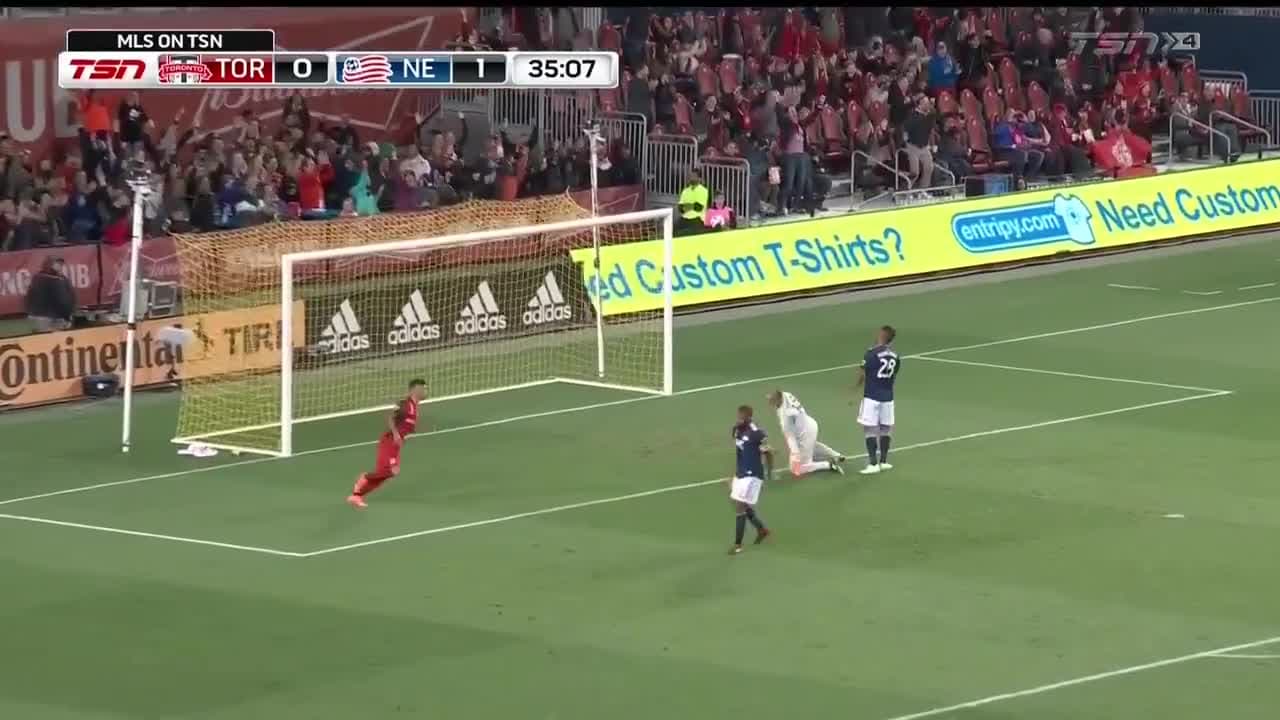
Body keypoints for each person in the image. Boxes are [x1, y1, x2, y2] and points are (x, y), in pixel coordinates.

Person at [347, 379, 428, 508]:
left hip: (396, 445)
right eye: (424, 388)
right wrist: (395, 434)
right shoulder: (405, 404)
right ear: (416, 389)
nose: (425, 391)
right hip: (389, 441)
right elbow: (389, 417)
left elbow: (406, 426)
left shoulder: (415, 408)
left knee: (390, 472)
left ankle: (357, 495)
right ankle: (364, 479)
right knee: (388, 471)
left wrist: (407, 435)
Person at [854, 325, 900, 475]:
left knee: (869, 429)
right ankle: (884, 461)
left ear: (881, 335)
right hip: (888, 397)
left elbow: (862, 373)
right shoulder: (895, 356)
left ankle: (873, 463)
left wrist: (855, 387)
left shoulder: (871, 353)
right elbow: (894, 375)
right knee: (886, 428)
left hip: (872, 396)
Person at [766, 390, 845, 478]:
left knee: (797, 469)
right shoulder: (786, 394)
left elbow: (790, 437)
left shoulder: (786, 415)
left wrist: (795, 453)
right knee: (812, 445)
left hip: (805, 434)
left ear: (778, 399)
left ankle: (828, 465)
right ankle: (836, 455)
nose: (770, 402)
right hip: (810, 424)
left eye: (772, 400)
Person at [728, 404, 773, 555]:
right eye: (738, 416)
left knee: (740, 507)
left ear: (749, 417)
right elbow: (740, 451)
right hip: (741, 472)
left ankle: (737, 545)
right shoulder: (736, 430)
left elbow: (768, 452)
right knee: (737, 502)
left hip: (752, 474)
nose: (739, 419)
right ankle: (762, 529)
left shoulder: (756, 433)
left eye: (742, 417)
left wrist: (769, 472)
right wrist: (735, 474)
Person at [26, 256, 75, 333]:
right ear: (49, 264)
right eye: (57, 263)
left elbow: (69, 297)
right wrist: (67, 316)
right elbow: (63, 299)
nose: (60, 266)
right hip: (46, 317)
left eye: (61, 264)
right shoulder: (44, 278)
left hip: (54, 316)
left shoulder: (62, 279)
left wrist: (69, 314)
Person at [676, 170, 708, 235]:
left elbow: (698, 207)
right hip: (684, 218)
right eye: (690, 176)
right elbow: (680, 208)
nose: (691, 178)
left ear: (699, 178)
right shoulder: (685, 191)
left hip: (697, 219)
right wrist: (692, 205)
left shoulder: (703, 190)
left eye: (694, 176)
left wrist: (686, 206)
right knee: (674, 231)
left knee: (685, 233)